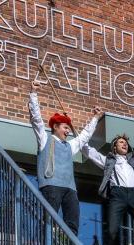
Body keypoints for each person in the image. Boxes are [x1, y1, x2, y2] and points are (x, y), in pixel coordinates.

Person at [28, 81, 100, 235]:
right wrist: (33, 94)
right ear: (55, 127)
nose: (68, 131)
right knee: (48, 221)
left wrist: (95, 117)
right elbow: (36, 120)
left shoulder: (70, 146)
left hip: (70, 189)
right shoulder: (45, 139)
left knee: (72, 221)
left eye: (68, 128)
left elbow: (84, 136)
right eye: (65, 127)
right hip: (51, 185)